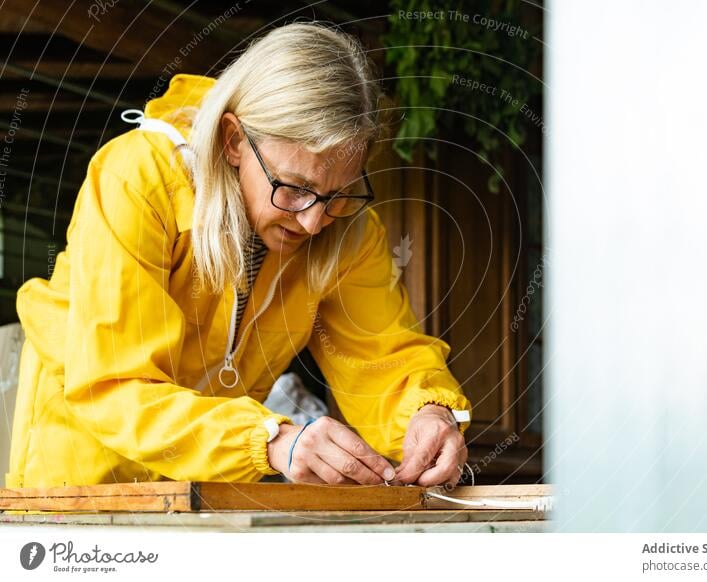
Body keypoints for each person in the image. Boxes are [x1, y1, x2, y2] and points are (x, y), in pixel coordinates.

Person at [6, 23, 472, 489]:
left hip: (211, 488)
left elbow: (382, 360)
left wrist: (428, 413)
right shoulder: (137, 180)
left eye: (338, 193)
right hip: (82, 483)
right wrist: (268, 441)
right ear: (233, 141)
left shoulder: (348, 229)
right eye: (295, 187)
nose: (313, 222)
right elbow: (114, 385)